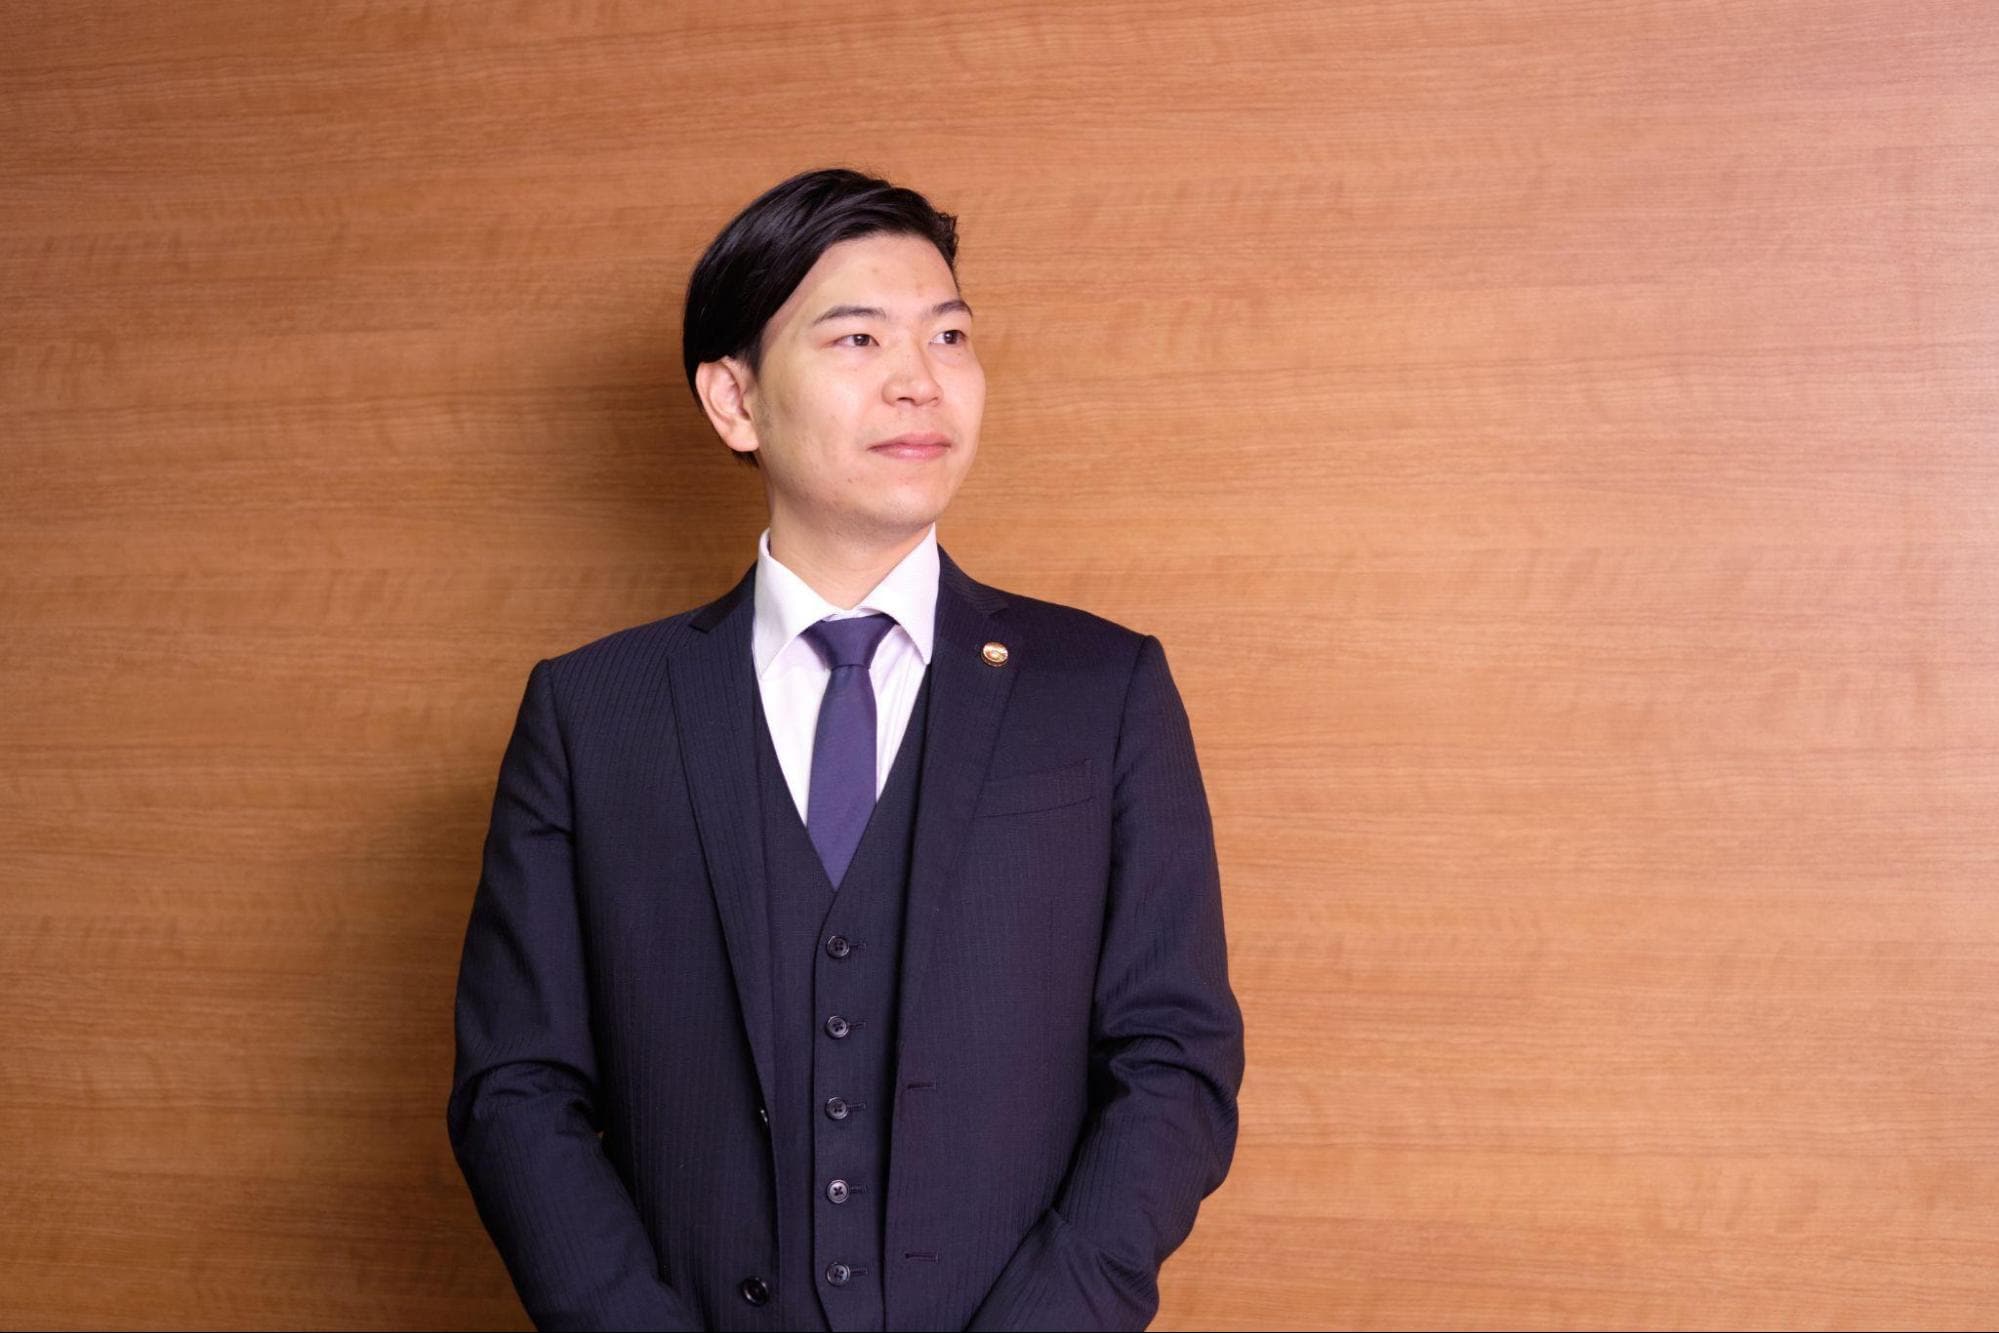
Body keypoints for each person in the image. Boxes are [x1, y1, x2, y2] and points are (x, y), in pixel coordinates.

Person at [446, 166, 1244, 1332]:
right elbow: (517, 1088)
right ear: (734, 400)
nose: (920, 379)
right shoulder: (592, 713)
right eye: (858, 337)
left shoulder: (1101, 689)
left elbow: (1174, 1061)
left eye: (948, 335)